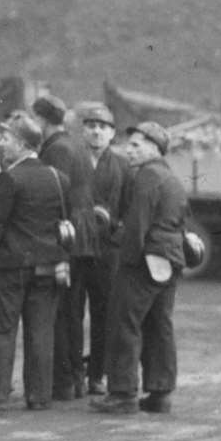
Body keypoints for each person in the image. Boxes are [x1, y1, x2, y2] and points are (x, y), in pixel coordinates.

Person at [0, 113, 71, 411]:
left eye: (6, 138)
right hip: (48, 265)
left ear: (20, 143)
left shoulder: (10, 178)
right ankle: (39, 396)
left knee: (1, 329)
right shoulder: (58, 178)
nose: (1, 143)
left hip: (9, 267)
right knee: (41, 331)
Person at [93, 121, 189, 416]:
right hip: (169, 258)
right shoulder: (170, 177)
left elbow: (137, 224)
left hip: (144, 260)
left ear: (153, 148)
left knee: (124, 323)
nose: (129, 150)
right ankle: (160, 393)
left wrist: (125, 259)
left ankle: (122, 393)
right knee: (160, 326)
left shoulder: (147, 176)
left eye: (136, 145)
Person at [30, 95, 95, 400]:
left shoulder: (56, 149)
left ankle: (64, 382)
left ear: (42, 121)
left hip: (67, 236)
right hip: (82, 236)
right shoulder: (75, 145)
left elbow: (55, 195)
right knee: (72, 312)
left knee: (62, 312)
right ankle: (75, 380)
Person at [77, 103, 130, 396]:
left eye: (103, 126)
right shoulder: (73, 159)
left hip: (107, 252)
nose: (97, 131)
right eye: (91, 125)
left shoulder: (122, 165)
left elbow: (131, 206)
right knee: (70, 312)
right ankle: (71, 373)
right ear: (82, 130)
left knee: (104, 314)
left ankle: (97, 373)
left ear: (112, 133)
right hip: (77, 248)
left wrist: (118, 230)